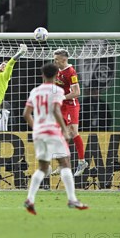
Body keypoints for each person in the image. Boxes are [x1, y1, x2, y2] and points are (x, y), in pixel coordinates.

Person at [23, 63, 89, 214]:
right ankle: (72, 199)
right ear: (56, 76)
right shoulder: (58, 91)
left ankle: (30, 199)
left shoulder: (35, 91)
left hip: (39, 133)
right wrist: (64, 130)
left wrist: (36, 128)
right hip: (53, 132)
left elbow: (26, 114)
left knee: (43, 167)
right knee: (65, 163)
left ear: (42, 75)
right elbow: (55, 110)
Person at [53, 49, 88, 176]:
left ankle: (82, 161)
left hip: (70, 105)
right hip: (61, 105)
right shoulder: (57, 70)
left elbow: (76, 92)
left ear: (64, 59)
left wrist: (61, 97)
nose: (54, 61)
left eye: (56, 59)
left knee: (73, 132)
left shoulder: (71, 72)